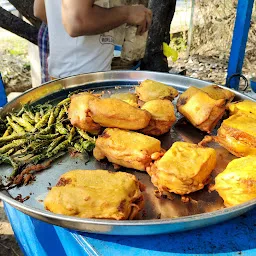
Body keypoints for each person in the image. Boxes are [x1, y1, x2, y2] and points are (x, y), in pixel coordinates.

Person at [34, 0, 152, 79]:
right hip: (84, 83)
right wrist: (128, 14)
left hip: (61, 75)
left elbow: (40, 10)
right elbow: (77, 20)